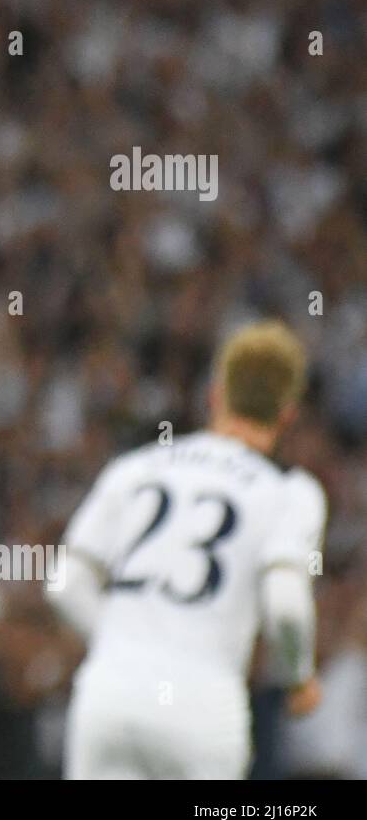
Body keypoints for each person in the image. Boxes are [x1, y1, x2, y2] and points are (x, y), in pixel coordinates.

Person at [48, 320, 325, 779]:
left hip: (109, 696)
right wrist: (299, 678)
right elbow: (287, 608)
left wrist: (125, 646)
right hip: (204, 707)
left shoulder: (137, 466)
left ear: (215, 394)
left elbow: (64, 585)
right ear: (288, 414)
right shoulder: (290, 494)